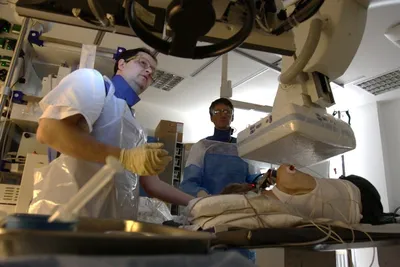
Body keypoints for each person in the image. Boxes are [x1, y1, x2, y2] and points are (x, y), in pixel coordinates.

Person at [30, 48, 193, 220]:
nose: (149, 71)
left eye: (153, 72)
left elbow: (153, 184)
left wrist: (197, 202)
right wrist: (123, 157)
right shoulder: (93, 81)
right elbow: (49, 130)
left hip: (111, 227)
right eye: (142, 63)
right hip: (66, 216)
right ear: (121, 64)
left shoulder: (136, 128)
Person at [180, 98, 259, 262]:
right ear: (211, 118)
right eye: (217, 112)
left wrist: (264, 179)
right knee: (211, 258)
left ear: (232, 117)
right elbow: (188, 183)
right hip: (211, 214)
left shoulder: (244, 147)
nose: (223, 115)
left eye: (227, 112)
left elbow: (253, 179)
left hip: (239, 214)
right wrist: (205, 197)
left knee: (241, 259)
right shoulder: (202, 147)